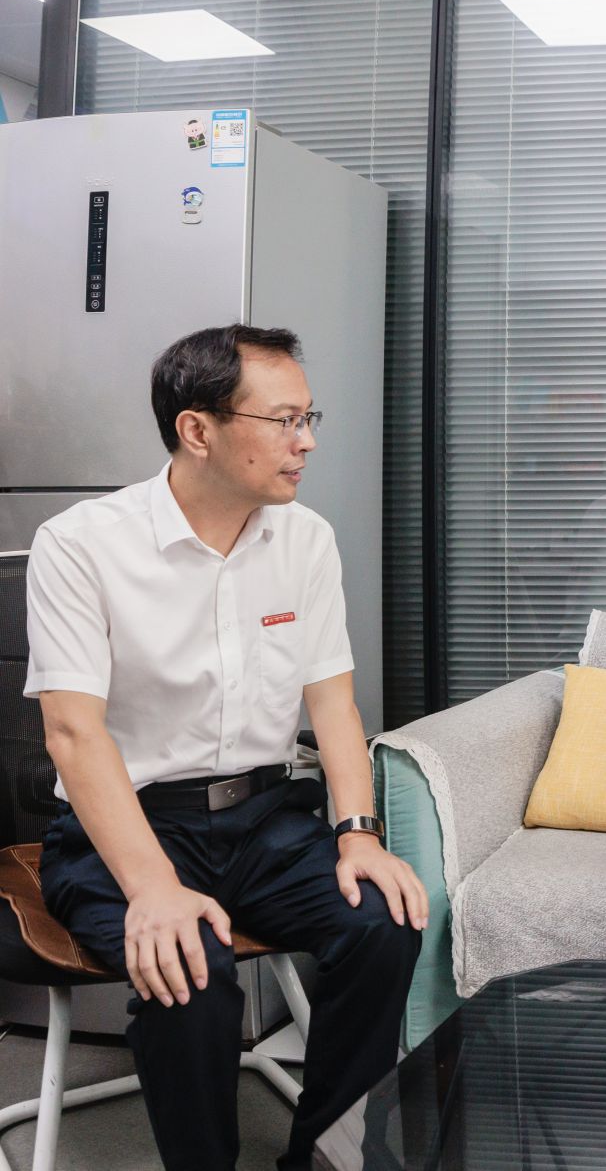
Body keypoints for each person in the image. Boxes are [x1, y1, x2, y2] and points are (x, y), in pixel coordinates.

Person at [24, 324, 427, 1171]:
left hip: (264, 820)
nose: (306, 440)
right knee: (190, 967)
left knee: (382, 921)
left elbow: (334, 701)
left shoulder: (306, 539)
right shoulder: (81, 543)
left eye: (309, 417)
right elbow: (73, 733)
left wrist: (358, 833)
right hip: (125, 830)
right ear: (197, 429)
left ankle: (327, 1157)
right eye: (284, 420)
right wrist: (152, 887)